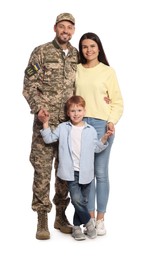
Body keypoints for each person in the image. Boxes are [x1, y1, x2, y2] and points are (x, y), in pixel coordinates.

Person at [22, 12, 79, 240]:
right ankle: (42, 218)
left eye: (70, 28)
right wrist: (38, 108)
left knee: (64, 172)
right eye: (62, 26)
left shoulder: (77, 55)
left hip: (68, 125)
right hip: (45, 124)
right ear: (55, 27)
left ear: (73, 31)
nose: (66, 31)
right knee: (43, 171)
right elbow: (28, 84)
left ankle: (60, 215)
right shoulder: (41, 51)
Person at [38, 95, 112, 240]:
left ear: (84, 111)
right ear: (68, 113)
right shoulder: (63, 128)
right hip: (70, 173)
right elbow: (49, 139)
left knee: (82, 202)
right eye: (73, 111)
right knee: (76, 199)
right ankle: (89, 223)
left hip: (86, 173)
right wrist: (45, 123)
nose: (76, 113)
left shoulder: (90, 130)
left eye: (79, 110)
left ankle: (77, 228)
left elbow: (96, 148)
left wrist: (104, 139)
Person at [75, 32, 124, 236]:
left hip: (102, 125)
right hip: (81, 126)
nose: (89, 50)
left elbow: (117, 102)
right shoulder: (76, 69)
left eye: (92, 46)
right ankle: (90, 219)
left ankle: (101, 219)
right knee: (86, 175)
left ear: (99, 48)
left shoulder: (108, 72)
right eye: (85, 46)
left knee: (101, 173)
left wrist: (111, 121)